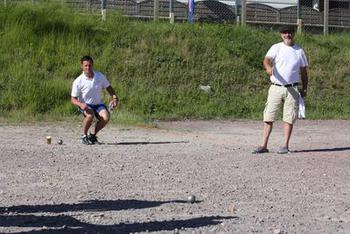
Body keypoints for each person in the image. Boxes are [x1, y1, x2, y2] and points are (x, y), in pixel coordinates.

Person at [253, 25, 308, 154]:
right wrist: (268, 68)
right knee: (269, 116)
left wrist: (305, 88)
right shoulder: (276, 47)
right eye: (284, 33)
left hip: (292, 88)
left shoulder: (299, 51)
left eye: (289, 33)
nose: (287, 35)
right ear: (281, 35)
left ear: (293, 34)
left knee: (289, 117)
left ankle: (285, 145)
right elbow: (266, 60)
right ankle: (263, 145)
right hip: (276, 87)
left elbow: (304, 72)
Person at [71, 55, 119, 145]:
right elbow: (73, 99)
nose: (88, 67)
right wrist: (81, 105)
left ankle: (92, 136)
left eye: (89, 65)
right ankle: (83, 136)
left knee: (106, 117)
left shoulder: (99, 76)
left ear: (92, 65)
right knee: (90, 115)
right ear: (82, 66)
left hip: (98, 104)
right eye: (86, 65)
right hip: (85, 105)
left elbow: (109, 88)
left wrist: (115, 98)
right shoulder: (78, 81)